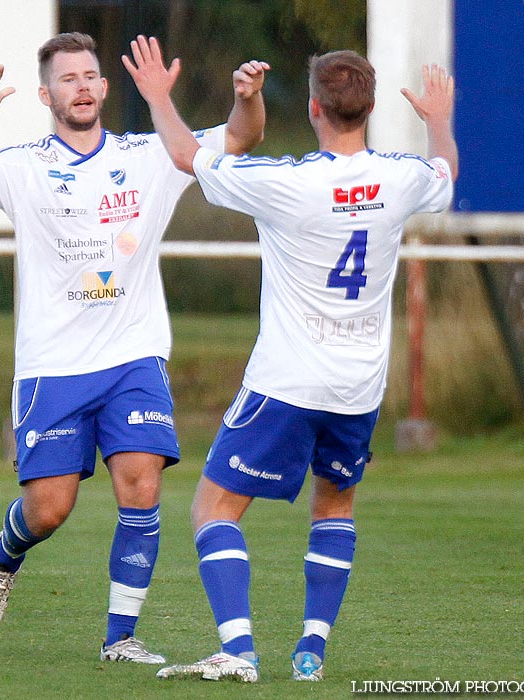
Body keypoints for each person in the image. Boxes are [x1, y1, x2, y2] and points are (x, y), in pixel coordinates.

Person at [124, 35, 458, 682]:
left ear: (311, 108)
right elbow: (443, 170)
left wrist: (159, 98)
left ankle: (238, 649)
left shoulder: (286, 182)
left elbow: (188, 156)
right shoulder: (399, 177)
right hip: (358, 387)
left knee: (213, 510)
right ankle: (311, 650)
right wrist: (438, 119)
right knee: (334, 507)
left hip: (286, 380)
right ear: (367, 108)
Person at [0, 32, 268, 662]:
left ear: (106, 87)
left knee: (141, 486)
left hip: (133, 358)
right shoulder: (26, 166)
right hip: (51, 366)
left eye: (90, 75)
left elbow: (240, 137)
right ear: (45, 94)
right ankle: (2, 558)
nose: (82, 86)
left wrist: (246, 98)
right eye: (68, 78)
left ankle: (121, 639)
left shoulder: (150, 155)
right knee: (50, 508)